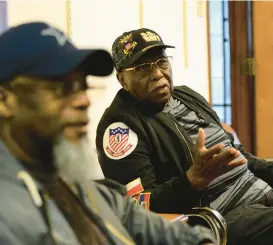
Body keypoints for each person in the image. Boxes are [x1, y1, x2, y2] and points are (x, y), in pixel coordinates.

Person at [0, 22, 216, 245]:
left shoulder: (71, 182)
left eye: (83, 86)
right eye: (61, 88)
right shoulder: (8, 212)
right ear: (4, 99)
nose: (83, 100)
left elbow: (147, 225)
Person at [96, 28, 273, 245]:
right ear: (122, 79)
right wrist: (191, 182)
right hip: (220, 218)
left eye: (162, 62)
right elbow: (137, 206)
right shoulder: (120, 127)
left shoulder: (187, 96)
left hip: (261, 195)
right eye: (142, 68)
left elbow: (240, 155)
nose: (158, 73)